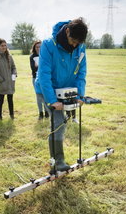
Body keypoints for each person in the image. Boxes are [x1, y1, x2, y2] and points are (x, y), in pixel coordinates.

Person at [35, 18, 88, 172]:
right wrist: (52, 100)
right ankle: (58, 161)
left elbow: (81, 73)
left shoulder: (80, 47)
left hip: (65, 90)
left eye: (78, 42)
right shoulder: (48, 45)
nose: (74, 45)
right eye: (73, 41)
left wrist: (80, 94)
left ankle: (57, 159)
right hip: (47, 89)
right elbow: (44, 75)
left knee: (61, 123)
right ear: (67, 31)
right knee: (58, 122)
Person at [0, 39, 17, 120]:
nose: (4, 47)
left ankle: (12, 116)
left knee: (10, 100)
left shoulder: (9, 56)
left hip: (10, 83)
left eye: (5, 45)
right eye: (2, 46)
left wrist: (14, 75)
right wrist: (1, 79)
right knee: (0, 101)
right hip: (1, 84)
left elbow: (14, 67)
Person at [29, 40, 48, 120]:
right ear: (34, 48)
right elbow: (33, 69)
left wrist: (38, 65)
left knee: (45, 95)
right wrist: (39, 66)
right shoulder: (32, 57)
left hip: (44, 78)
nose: (38, 48)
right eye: (37, 47)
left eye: (40, 46)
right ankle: (40, 113)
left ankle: (47, 111)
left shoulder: (45, 55)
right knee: (38, 96)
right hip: (35, 78)